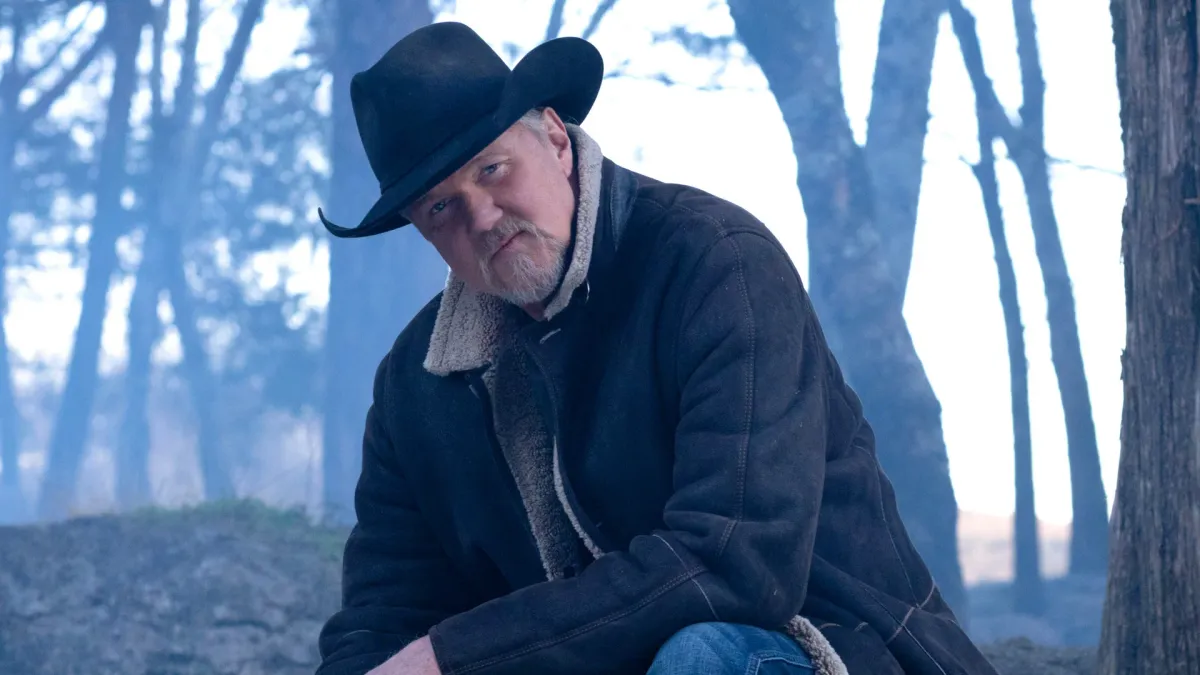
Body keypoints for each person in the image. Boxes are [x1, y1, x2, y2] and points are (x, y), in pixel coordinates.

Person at [314, 21, 1001, 675]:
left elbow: (735, 562)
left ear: (554, 137)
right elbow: (383, 614)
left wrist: (457, 656)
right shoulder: (415, 384)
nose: (483, 216)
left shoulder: (715, 264)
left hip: (831, 647)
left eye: (492, 169)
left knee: (700, 656)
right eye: (441, 207)